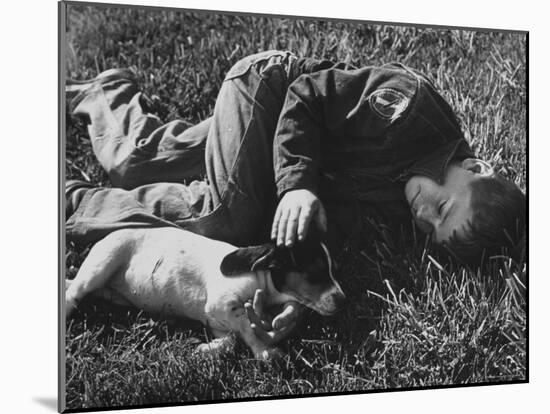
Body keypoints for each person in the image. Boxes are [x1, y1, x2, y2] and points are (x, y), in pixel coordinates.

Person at [65, 50, 526, 345]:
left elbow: (339, 224)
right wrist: (297, 185)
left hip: (283, 152)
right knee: (228, 219)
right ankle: (70, 201)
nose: (422, 214)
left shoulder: (415, 196)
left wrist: (296, 297)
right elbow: (306, 96)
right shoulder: (409, 109)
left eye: (429, 229)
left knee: (135, 162)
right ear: (476, 168)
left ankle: (106, 93)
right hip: (269, 94)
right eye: (442, 207)